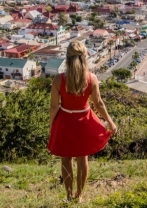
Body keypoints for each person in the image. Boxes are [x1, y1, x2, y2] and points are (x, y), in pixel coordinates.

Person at [48, 41, 117, 202]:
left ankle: (68, 195)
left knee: (66, 159)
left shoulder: (59, 79)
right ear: (85, 57)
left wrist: (52, 125)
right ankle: (79, 195)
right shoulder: (91, 78)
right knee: (82, 158)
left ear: (67, 58)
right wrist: (110, 122)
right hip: (84, 119)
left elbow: (53, 106)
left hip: (64, 120)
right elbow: (98, 103)